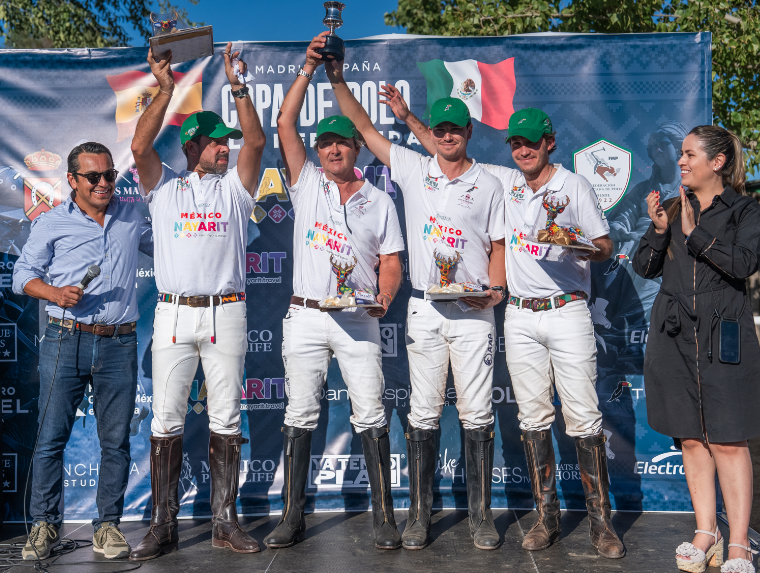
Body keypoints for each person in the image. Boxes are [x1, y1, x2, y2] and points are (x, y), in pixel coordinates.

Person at [383, 93, 623, 558]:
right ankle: (546, 518)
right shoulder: (504, 180)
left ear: (549, 143)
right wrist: (408, 117)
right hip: (518, 314)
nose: (522, 150)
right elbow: (442, 149)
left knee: (584, 418)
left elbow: (606, 245)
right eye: (515, 142)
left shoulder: (574, 186)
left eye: (531, 142)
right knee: (533, 418)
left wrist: (577, 246)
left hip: (568, 308)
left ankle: (602, 524)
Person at [314, 33, 507, 551]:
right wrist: (335, 75)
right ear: (433, 133)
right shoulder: (413, 168)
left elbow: (499, 245)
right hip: (424, 306)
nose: (446, 136)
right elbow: (361, 127)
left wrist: (496, 290)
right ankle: (419, 516)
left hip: (472, 311)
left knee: (477, 414)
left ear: (468, 131)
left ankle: (481, 518)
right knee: (422, 413)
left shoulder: (489, 182)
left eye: (454, 129)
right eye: (438, 129)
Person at [263, 39, 406, 551]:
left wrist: (384, 299)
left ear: (358, 149)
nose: (332, 149)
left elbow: (391, 264)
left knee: (370, 412)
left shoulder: (380, 200)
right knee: (299, 414)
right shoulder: (305, 183)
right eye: (325, 143)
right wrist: (306, 70)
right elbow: (284, 124)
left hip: (359, 319)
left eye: (342, 142)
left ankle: (384, 518)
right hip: (305, 316)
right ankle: (292, 518)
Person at [128, 43, 266, 560]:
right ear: (191, 146)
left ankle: (224, 522)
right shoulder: (164, 189)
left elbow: (255, 138)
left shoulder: (235, 190)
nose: (226, 148)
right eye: (215, 143)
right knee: (166, 420)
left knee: (226, 418)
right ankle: (163, 524)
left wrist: (238, 87)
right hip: (173, 311)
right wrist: (165, 88)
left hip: (226, 311)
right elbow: (141, 149)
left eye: (224, 142)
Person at [12, 142, 153, 560]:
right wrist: (54, 292)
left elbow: (170, 247)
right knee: (51, 439)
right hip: (64, 339)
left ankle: (107, 527)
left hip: (120, 342)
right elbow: (23, 276)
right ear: (72, 180)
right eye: (94, 177)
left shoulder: (132, 217)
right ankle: (44, 526)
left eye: (110, 175)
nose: (104, 183)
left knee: (116, 443)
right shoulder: (53, 222)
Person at [632, 125, 760, 573]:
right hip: (673, 334)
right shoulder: (672, 206)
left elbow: (744, 263)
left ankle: (740, 542)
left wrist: (694, 234)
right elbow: (645, 267)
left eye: (689, 155)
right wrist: (659, 228)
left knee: (727, 438)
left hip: (723, 333)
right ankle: (708, 530)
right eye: (682, 154)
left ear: (718, 162)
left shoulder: (744, 210)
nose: (681, 162)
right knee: (689, 436)